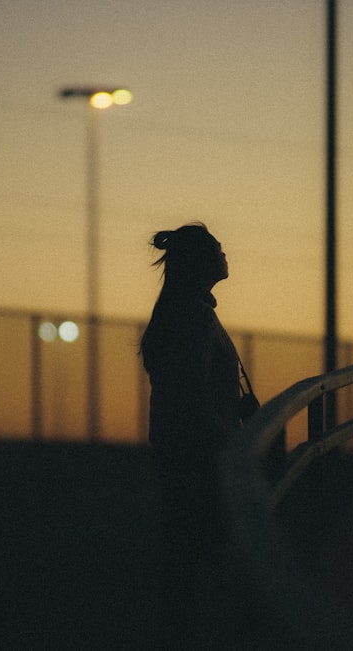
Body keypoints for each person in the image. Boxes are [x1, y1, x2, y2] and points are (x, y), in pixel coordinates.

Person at [139, 222, 250, 645]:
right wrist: (231, 442)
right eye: (219, 249)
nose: (226, 255)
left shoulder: (187, 312)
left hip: (186, 452)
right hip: (202, 458)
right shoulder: (195, 318)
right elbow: (193, 399)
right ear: (202, 263)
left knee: (186, 560)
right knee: (201, 563)